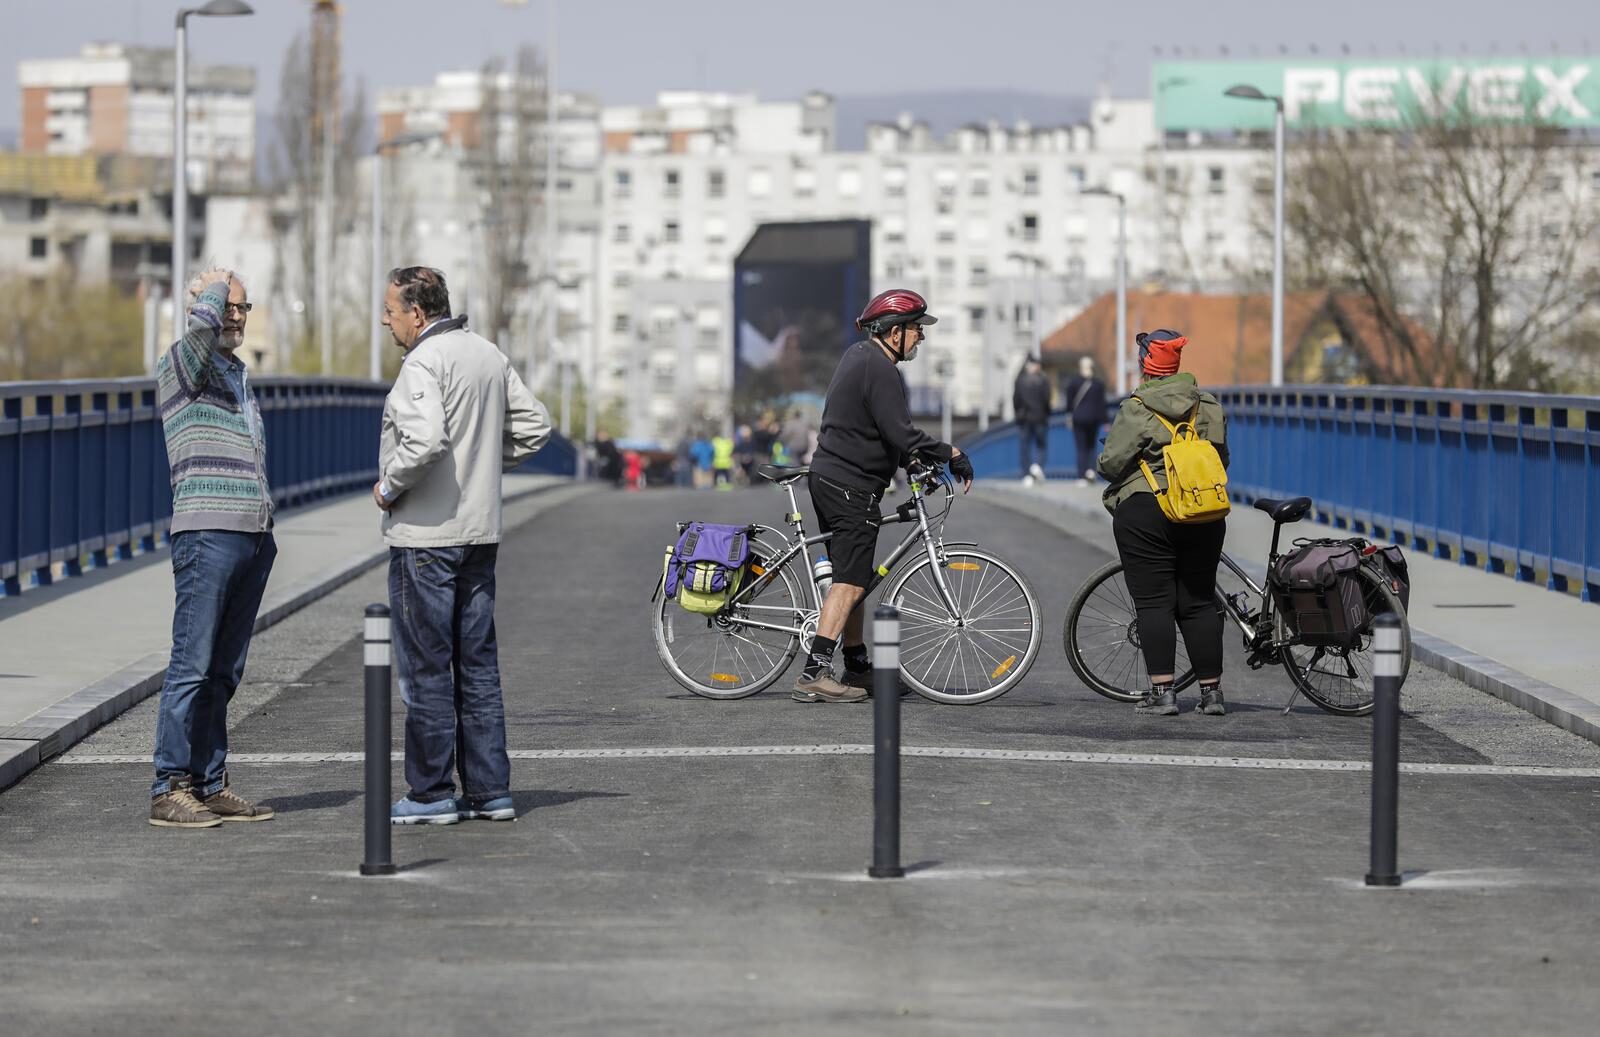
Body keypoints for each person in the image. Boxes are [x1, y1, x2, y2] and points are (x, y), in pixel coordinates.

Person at [374, 266, 551, 824]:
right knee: (477, 665)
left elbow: (424, 441)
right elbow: (536, 426)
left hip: (427, 536)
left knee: (426, 667)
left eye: (391, 311)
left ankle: (430, 794)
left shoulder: (424, 362)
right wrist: (487, 466)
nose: (386, 320)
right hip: (480, 532)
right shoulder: (485, 353)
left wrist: (388, 486)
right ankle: (489, 789)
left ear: (417, 314)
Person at [797, 288, 974, 703]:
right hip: (849, 485)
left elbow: (873, 428)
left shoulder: (860, 357)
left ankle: (856, 665)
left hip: (833, 478)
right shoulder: (879, 367)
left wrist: (910, 462)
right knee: (849, 581)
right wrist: (951, 453)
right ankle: (812, 672)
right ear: (894, 332)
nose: (921, 338)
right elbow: (900, 431)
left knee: (852, 574)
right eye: (916, 330)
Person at [148, 268, 277, 828]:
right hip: (207, 531)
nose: (233, 316)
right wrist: (211, 290)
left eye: (241, 308)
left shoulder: (240, 376)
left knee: (225, 670)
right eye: (224, 306)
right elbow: (201, 335)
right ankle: (169, 785)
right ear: (201, 309)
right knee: (192, 664)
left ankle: (209, 780)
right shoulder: (182, 365)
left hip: (251, 533)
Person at [1096, 329, 1229, 717]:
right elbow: (1221, 458)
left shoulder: (1136, 408)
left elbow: (1111, 465)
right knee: (1199, 600)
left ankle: (1163, 693)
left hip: (1146, 510)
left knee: (1154, 601)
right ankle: (1211, 694)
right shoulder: (1209, 406)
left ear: (1144, 365)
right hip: (1201, 511)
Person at [1064, 355, 1109, 486]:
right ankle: (1091, 471)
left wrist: (1068, 415)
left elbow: (1069, 403)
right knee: (1091, 446)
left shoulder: (1073, 383)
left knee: (1081, 447)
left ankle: (1081, 476)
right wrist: (1106, 421)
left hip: (1078, 418)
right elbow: (1102, 404)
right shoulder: (1098, 384)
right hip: (1094, 419)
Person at [1012, 356, 1052, 486]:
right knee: (1041, 445)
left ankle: (1027, 474)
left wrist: (1018, 413)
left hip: (1024, 418)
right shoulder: (1043, 381)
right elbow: (1047, 400)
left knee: (1025, 447)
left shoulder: (1020, 381)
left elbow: (1016, 400)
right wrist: (1047, 413)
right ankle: (1037, 466)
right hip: (1040, 417)